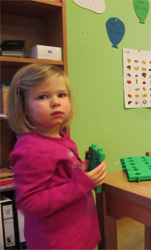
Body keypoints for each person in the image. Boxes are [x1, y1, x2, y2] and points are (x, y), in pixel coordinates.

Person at [7, 64, 107, 250]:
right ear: (24, 106)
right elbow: (30, 204)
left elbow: (61, 177)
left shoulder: (61, 137)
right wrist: (81, 183)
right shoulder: (30, 149)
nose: (55, 102)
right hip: (57, 243)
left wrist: (82, 168)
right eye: (42, 96)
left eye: (61, 95)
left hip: (79, 234)